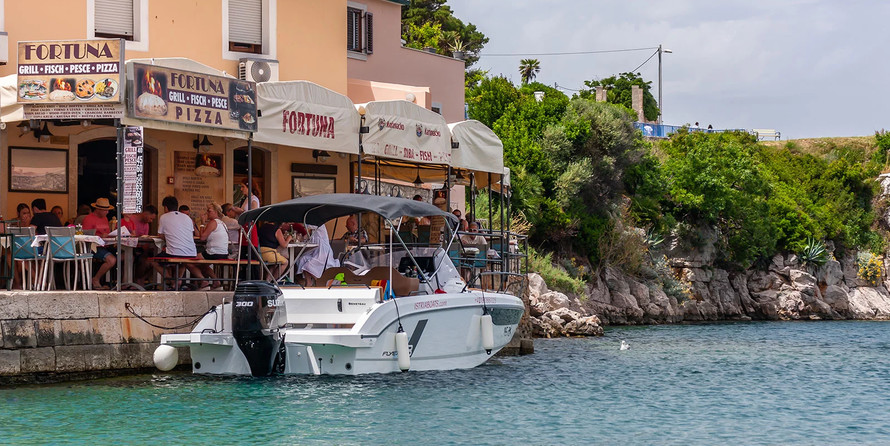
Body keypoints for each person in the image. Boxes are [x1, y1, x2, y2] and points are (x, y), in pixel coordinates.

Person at [156, 196, 208, 290]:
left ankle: (173, 281)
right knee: (183, 260)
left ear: (166, 207)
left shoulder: (164, 217)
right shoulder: (187, 218)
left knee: (153, 261)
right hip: (191, 252)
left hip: (174, 252)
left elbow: (160, 235)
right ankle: (201, 280)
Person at [81, 198, 117, 290]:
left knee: (124, 255)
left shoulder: (105, 218)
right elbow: (86, 236)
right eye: (105, 210)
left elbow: (106, 232)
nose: (107, 212)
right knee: (111, 260)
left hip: (105, 245)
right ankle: (96, 279)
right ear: (98, 209)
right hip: (93, 246)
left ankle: (111, 282)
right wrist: (100, 235)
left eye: (107, 210)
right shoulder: (89, 219)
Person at [197, 203, 229, 288]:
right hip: (223, 253)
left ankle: (205, 281)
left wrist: (202, 223)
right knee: (202, 263)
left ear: (215, 212)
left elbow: (202, 237)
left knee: (193, 260)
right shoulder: (222, 223)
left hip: (214, 252)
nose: (207, 213)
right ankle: (214, 281)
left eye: (209, 211)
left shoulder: (213, 222)